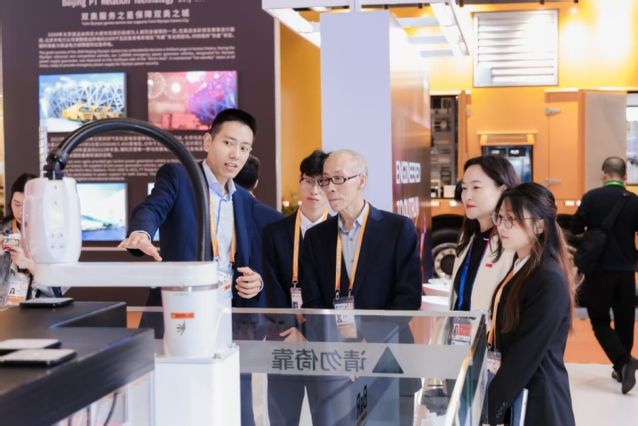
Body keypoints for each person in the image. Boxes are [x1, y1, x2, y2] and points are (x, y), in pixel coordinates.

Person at [118, 108, 282, 426]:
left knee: (231, 402)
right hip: (180, 314)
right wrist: (141, 233)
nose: (236, 154)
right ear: (208, 141)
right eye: (228, 143)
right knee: (174, 402)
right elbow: (152, 208)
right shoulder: (179, 178)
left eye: (244, 148)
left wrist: (257, 282)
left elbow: (255, 259)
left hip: (229, 320)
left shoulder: (244, 201)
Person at [300, 149, 422, 425]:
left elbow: (408, 298)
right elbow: (312, 302)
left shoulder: (397, 229)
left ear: (362, 181)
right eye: (325, 180)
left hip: (389, 354)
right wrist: (341, 348)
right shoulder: (317, 237)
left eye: (339, 179)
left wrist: (369, 344)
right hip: (337, 360)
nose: (329, 188)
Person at [486, 182, 575, 426]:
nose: (501, 226)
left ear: (539, 225)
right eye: (500, 217)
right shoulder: (522, 265)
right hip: (520, 394)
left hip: (539, 402)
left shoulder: (547, 278)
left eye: (512, 219)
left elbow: (525, 354)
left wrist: (488, 408)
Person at [262, 149, 329, 426]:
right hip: (284, 338)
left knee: (327, 416)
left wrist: (310, 332)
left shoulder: (341, 234)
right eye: (308, 181)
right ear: (299, 181)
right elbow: (271, 285)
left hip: (324, 341)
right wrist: (290, 327)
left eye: (322, 182)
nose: (314, 190)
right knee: (282, 416)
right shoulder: (275, 233)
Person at [571, 156, 638, 393]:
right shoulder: (634, 201)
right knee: (625, 320)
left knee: (599, 320)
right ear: (625, 176)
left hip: (598, 270)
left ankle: (623, 362)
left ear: (603, 174)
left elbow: (575, 229)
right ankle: (622, 368)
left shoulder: (592, 197)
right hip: (627, 271)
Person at [451, 155, 519, 312]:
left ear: (503, 190)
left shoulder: (513, 242)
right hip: (461, 327)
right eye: (464, 188)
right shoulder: (468, 236)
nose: (467, 196)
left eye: (476, 187)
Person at [0, 173, 63, 305]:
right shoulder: (2, 230)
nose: (20, 212)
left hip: (40, 310)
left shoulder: (54, 235)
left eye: (26, 206)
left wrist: (29, 265)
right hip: (5, 310)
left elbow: (60, 287)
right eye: (17, 204)